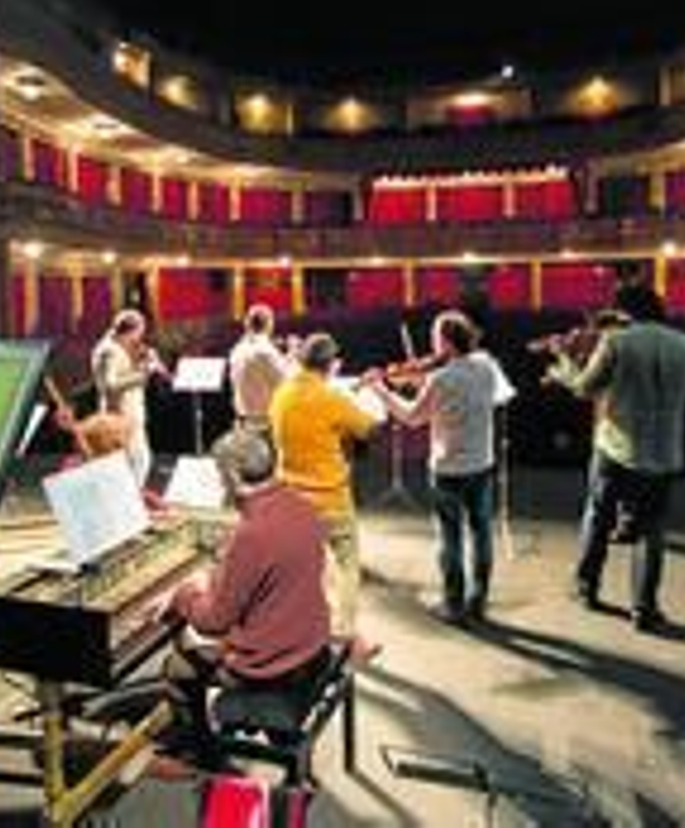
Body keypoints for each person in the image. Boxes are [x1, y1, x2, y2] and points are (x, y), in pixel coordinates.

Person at [158, 428, 332, 769]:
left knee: (177, 668)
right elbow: (273, 576)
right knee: (202, 639)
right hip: (311, 647)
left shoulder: (252, 534)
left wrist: (183, 595)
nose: (221, 486)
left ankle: (201, 753)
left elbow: (213, 623)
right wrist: (216, 577)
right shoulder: (301, 505)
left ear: (232, 476)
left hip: (272, 666)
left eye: (220, 477)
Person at [548, 283, 685, 634]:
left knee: (598, 515)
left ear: (625, 311)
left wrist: (564, 362)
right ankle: (644, 608)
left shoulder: (617, 340)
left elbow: (584, 387)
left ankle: (587, 587)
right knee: (652, 528)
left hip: (617, 446)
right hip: (665, 450)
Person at [365, 310, 499, 624]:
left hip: (449, 469)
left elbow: (411, 418)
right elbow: (459, 392)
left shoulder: (441, 378)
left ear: (447, 342)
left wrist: (382, 390)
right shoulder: (486, 366)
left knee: (450, 538)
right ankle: (478, 600)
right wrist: (425, 380)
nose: (433, 347)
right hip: (482, 463)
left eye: (436, 340)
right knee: (482, 534)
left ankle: (454, 605)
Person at [269, 333, 381, 662]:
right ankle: (344, 635)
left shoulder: (283, 392)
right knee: (347, 565)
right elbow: (367, 428)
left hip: (290, 498)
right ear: (331, 364)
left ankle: (305, 633)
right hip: (329, 499)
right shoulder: (330, 397)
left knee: (307, 570)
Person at [91, 309, 165, 485]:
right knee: (139, 461)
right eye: (140, 332)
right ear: (132, 330)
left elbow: (122, 375)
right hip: (122, 415)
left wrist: (140, 363)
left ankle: (126, 502)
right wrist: (144, 373)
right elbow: (110, 385)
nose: (140, 338)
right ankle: (129, 503)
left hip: (123, 415)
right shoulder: (110, 351)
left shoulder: (111, 346)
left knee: (129, 464)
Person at [227, 303, 292, 432]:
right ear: (269, 324)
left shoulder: (237, 350)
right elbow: (285, 383)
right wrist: (294, 361)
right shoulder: (265, 351)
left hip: (244, 420)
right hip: (265, 422)